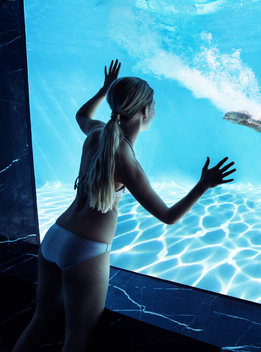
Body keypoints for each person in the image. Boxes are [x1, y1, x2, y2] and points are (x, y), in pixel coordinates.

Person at [13, 60, 236, 352]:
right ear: (144, 112)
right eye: (153, 104)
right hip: (84, 250)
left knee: (40, 321)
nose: (155, 110)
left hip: (56, 235)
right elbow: (168, 216)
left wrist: (103, 90)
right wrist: (202, 185)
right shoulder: (128, 162)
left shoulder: (96, 134)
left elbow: (82, 114)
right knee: (77, 339)